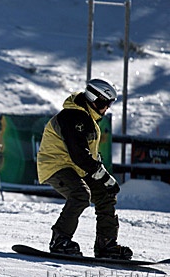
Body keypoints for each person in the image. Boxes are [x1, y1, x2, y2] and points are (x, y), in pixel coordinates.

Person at [37, 78, 133, 260]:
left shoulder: (88, 118)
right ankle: (60, 239)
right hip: (55, 165)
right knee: (81, 194)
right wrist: (104, 176)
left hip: (75, 167)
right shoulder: (73, 116)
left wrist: (104, 179)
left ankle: (106, 244)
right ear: (95, 99)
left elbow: (90, 156)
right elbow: (79, 154)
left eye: (109, 104)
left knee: (106, 194)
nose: (106, 108)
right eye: (105, 103)